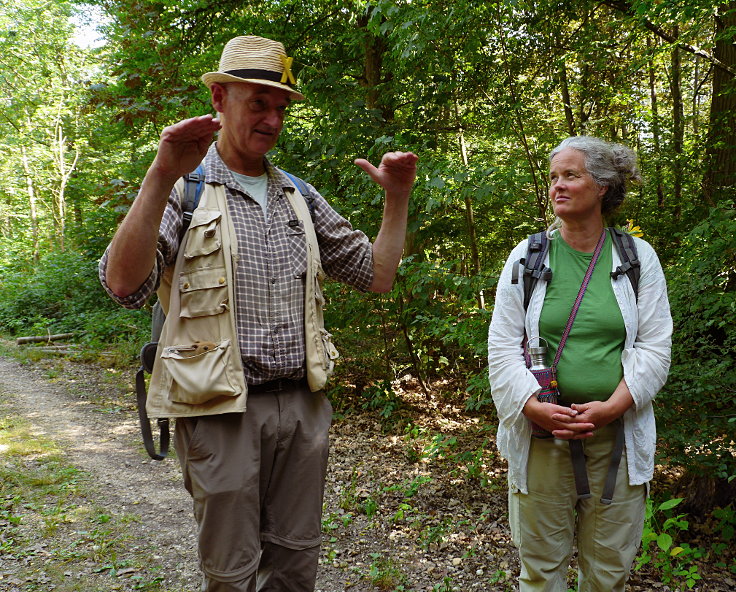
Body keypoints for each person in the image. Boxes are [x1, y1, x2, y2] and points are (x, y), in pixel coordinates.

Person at [99, 35, 417, 592]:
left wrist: (396, 199)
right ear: (220, 99)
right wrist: (160, 173)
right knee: (231, 571)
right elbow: (124, 286)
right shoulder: (185, 188)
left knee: (296, 564)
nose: (272, 119)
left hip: (302, 406)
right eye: (258, 102)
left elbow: (377, 276)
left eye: (281, 107)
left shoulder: (299, 194)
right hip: (219, 411)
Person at [487, 136, 672, 591]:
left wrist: (611, 407)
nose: (557, 186)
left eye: (571, 175)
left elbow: (655, 347)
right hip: (543, 439)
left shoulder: (637, 259)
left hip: (616, 440)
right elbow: (502, 347)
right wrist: (532, 405)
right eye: (553, 177)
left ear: (604, 186)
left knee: (609, 571)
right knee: (540, 568)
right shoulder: (527, 259)